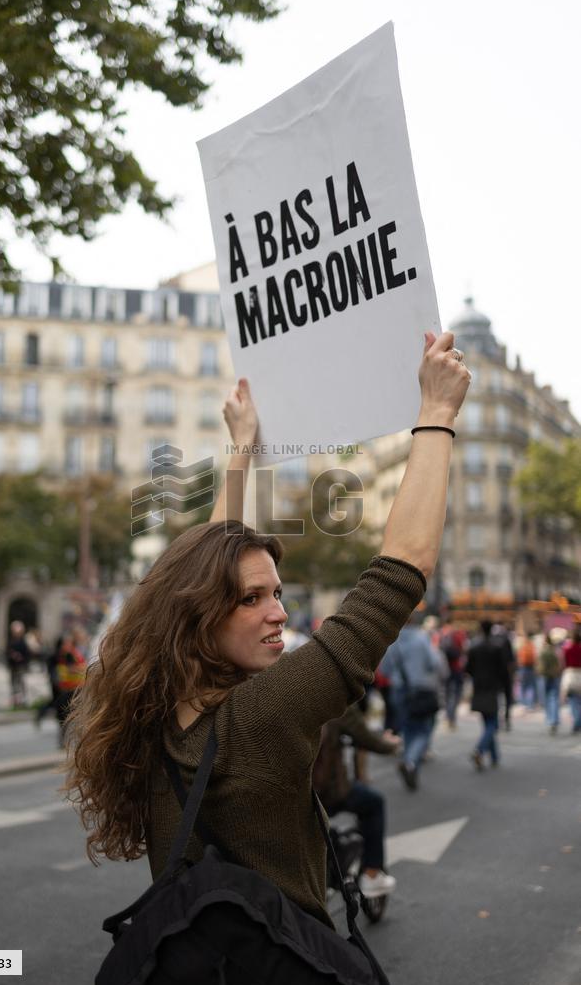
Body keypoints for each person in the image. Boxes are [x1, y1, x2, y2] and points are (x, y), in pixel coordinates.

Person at [64, 330, 469, 935]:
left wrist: (240, 452)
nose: (278, 612)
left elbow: (202, 572)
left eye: (275, 593)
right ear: (201, 617)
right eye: (252, 599)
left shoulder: (155, 706)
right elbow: (404, 566)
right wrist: (436, 414)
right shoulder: (263, 714)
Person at [314, 702, 400, 897]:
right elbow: (368, 739)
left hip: (288, 796)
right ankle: (371, 875)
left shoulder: (270, 691)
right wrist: (391, 744)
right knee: (374, 803)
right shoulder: (333, 697)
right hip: (328, 793)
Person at [380, 613, 445, 791]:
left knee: (408, 728)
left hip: (399, 690)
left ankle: (410, 762)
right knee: (425, 729)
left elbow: (384, 668)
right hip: (422, 689)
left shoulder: (392, 640)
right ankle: (410, 762)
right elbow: (434, 663)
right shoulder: (421, 638)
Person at [466, 620, 511, 769]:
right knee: (492, 724)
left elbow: (468, 668)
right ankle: (480, 749)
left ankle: (494, 757)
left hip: (479, 687)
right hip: (492, 688)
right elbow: (504, 671)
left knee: (488, 722)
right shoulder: (496, 648)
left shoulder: (474, 647)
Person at [53, 629, 87, 747]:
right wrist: (82, 669)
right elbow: (70, 669)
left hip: (76, 689)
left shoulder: (74, 652)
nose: (66, 645)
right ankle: (65, 742)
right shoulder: (66, 654)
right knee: (66, 716)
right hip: (68, 690)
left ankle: (73, 742)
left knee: (74, 717)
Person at [438, 617, 467, 729]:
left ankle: (448, 717)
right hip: (456, 669)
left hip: (445, 669)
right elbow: (464, 650)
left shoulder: (441, 635)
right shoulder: (458, 635)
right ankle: (451, 717)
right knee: (455, 695)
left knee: (447, 694)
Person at [537, 632, 562, 735]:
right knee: (554, 698)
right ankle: (554, 719)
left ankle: (550, 719)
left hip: (545, 676)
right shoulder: (555, 651)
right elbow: (559, 664)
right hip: (554, 676)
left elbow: (540, 666)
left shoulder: (544, 651)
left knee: (547, 698)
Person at [6, 620, 30, 708]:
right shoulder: (11, 641)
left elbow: (27, 654)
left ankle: (23, 701)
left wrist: (21, 658)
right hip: (13, 666)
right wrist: (12, 656)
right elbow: (7, 652)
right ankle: (15, 701)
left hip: (21, 666)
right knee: (14, 684)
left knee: (21, 683)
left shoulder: (23, 642)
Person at [561, 628, 581, 733]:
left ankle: (576, 721)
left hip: (570, 674)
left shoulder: (567, 649)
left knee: (573, 701)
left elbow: (563, 663)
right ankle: (578, 721)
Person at [516, 633, 538, 709]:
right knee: (531, 686)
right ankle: (530, 703)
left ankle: (523, 702)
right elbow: (535, 658)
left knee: (523, 685)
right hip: (531, 667)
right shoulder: (532, 646)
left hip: (523, 668)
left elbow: (519, 658)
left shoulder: (522, 647)